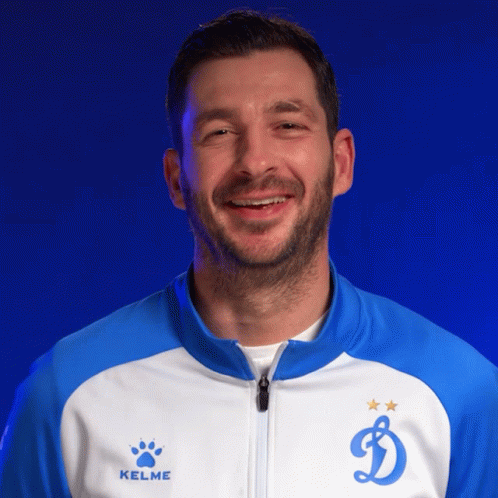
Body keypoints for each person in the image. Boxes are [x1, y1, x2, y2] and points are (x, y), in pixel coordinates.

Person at [1, 9, 497, 497]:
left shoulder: (458, 394)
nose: (255, 162)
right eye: (219, 132)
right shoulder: (68, 395)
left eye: (288, 125)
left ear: (341, 163)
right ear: (176, 178)